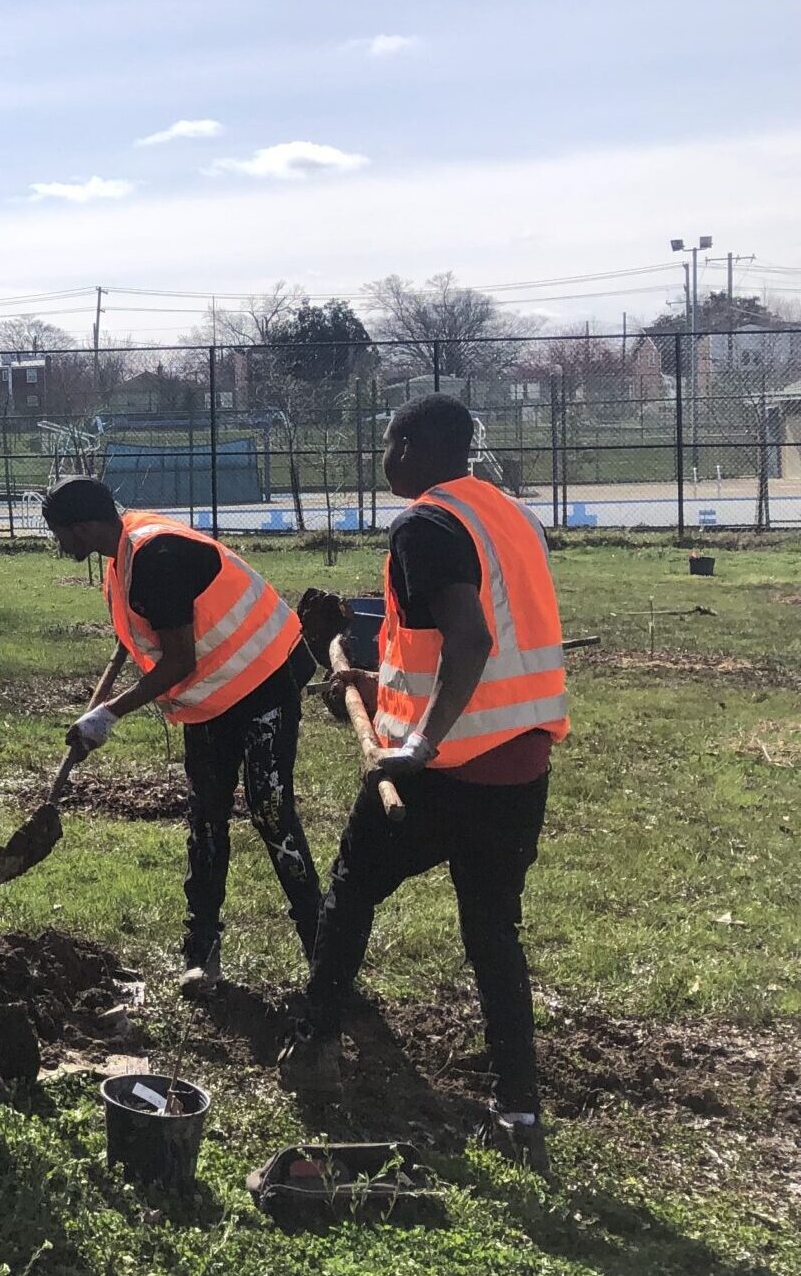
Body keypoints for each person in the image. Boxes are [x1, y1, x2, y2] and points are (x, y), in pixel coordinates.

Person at [284, 394, 569, 1171]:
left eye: (387, 443)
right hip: (521, 762)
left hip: (443, 771)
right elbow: (474, 639)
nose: (384, 457)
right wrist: (373, 680)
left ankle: (316, 1044)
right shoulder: (507, 516)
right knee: (492, 933)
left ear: (410, 447)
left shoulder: (422, 523)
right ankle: (519, 1111)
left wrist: (417, 741)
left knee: (350, 889)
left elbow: (472, 640)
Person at [40, 475, 321, 994]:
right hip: (214, 699)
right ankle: (202, 955)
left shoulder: (153, 555)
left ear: (82, 527)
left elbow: (179, 659)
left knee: (270, 809)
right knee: (207, 817)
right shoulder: (123, 557)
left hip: (264, 681)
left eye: (61, 536)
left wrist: (109, 713)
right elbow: (155, 628)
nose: (61, 547)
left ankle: (323, 950)